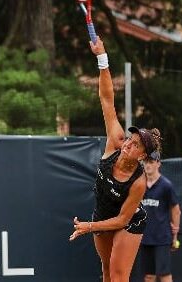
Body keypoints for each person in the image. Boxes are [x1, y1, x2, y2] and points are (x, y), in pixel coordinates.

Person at [69, 36, 162, 282]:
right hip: (103, 215)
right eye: (130, 139)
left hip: (128, 221)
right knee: (107, 274)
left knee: (119, 276)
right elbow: (107, 99)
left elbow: (122, 219)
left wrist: (88, 227)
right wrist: (102, 57)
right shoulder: (115, 142)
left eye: (135, 145)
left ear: (142, 155)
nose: (128, 144)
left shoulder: (139, 182)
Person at [140, 151, 181, 282]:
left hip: (162, 238)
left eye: (151, 162)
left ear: (158, 164)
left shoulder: (166, 185)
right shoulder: (139, 185)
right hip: (145, 238)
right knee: (149, 276)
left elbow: (176, 210)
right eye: (146, 162)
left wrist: (174, 237)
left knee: (164, 275)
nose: (148, 165)